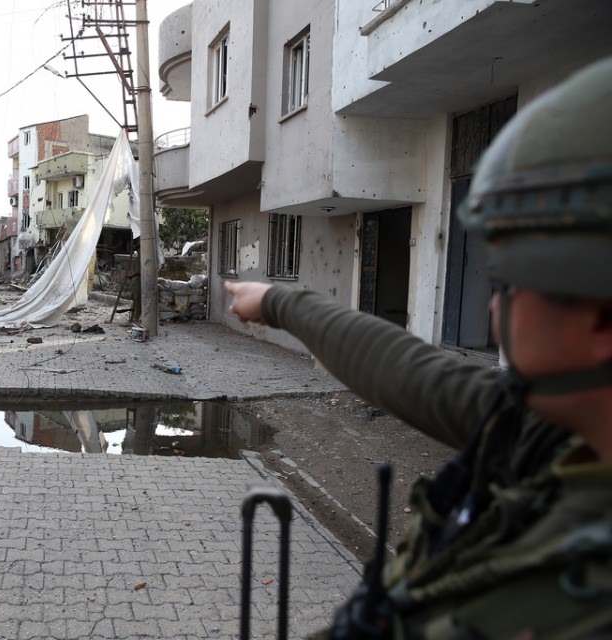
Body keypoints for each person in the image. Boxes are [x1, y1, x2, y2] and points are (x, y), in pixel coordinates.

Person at [226, 56, 612, 639]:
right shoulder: (550, 432)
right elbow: (412, 373)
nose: (492, 310)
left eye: (509, 283)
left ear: (600, 315)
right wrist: (281, 302)